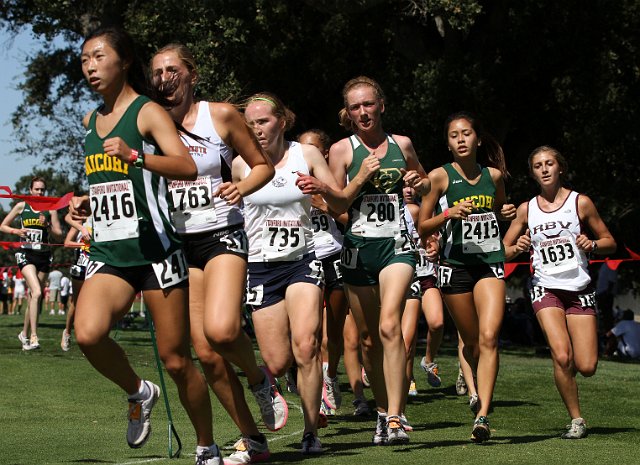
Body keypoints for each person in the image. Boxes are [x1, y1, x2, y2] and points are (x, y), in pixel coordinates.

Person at [72, 26, 221, 464]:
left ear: (123, 61)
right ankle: (139, 392)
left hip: (156, 252)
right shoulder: (89, 122)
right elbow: (108, 181)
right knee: (88, 333)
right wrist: (86, 201)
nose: (90, 67)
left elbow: (186, 166)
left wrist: (136, 156)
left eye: (99, 57)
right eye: (84, 60)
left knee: (176, 360)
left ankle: (206, 446)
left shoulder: (148, 112)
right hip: (111, 252)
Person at [151, 43, 277, 464]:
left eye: (172, 69)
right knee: (205, 353)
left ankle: (261, 381)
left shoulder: (219, 115)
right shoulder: (151, 124)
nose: (164, 77)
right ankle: (252, 437)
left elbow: (262, 166)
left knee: (222, 332)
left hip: (222, 230)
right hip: (179, 242)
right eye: (157, 72)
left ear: (191, 74)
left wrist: (240, 187)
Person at [239, 92, 352, 454]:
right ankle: (269, 383)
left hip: (302, 261)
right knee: (277, 360)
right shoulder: (241, 162)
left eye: (264, 121)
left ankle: (310, 433)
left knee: (307, 345)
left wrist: (322, 189)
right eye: (251, 123)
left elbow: (341, 202)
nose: (257, 129)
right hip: (260, 266)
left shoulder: (306, 155)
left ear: (282, 122)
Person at [328, 76, 428, 445]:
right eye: (355, 107)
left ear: (381, 105)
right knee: (369, 339)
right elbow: (334, 204)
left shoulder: (402, 144)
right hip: (357, 248)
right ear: (349, 113)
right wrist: (360, 179)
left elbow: (426, 182)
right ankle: (384, 412)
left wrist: (419, 183)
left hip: (396, 246)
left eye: (368, 104)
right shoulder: (341, 150)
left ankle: (398, 418)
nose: (363, 112)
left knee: (390, 327)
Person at [503, 145, 616, 439]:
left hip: (578, 288)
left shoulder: (581, 203)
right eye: (538, 165)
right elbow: (503, 249)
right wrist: (518, 248)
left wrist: (592, 245)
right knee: (562, 355)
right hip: (545, 286)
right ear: (532, 173)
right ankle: (576, 419)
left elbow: (610, 242)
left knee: (587, 365)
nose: (544, 169)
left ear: (560, 167)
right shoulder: (527, 209)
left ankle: (566, 372)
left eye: (549, 163)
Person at [418, 111, 515, 442]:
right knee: (472, 341)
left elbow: (501, 209)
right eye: (454, 135)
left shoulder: (494, 176)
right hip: (454, 267)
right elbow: (422, 225)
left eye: (466, 133)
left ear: (477, 139)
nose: (460, 139)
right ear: (448, 143)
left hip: (488, 263)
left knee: (489, 337)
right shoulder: (439, 177)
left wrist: (505, 213)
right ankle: (473, 384)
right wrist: (447, 214)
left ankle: (484, 414)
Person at [0, 176, 63, 350]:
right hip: (25, 253)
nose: (40, 192)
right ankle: (34, 336)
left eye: (42, 189)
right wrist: (16, 231)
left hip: (43, 256)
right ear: (30, 190)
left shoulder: (51, 208)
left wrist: (48, 225)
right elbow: (2, 226)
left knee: (33, 297)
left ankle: (24, 334)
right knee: (36, 292)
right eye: (37, 189)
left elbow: (59, 235)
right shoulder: (22, 206)